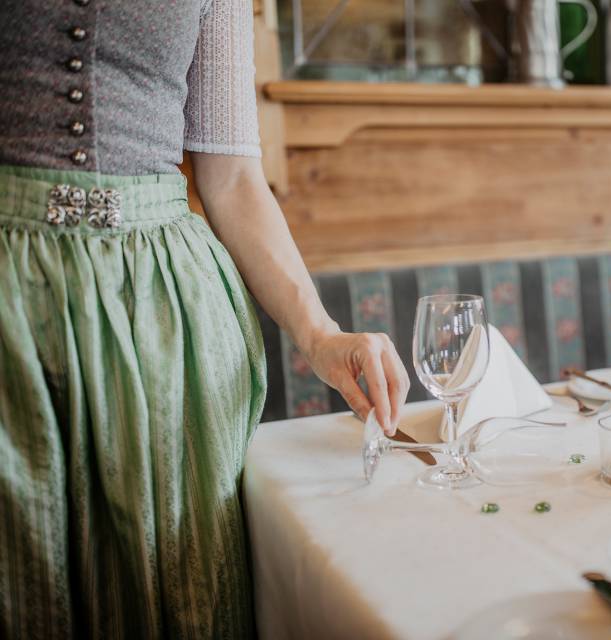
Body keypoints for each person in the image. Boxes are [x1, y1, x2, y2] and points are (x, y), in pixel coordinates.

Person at [0, 0, 409, 637]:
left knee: (174, 584)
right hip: (9, 302)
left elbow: (234, 178)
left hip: (162, 317)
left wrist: (322, 334)